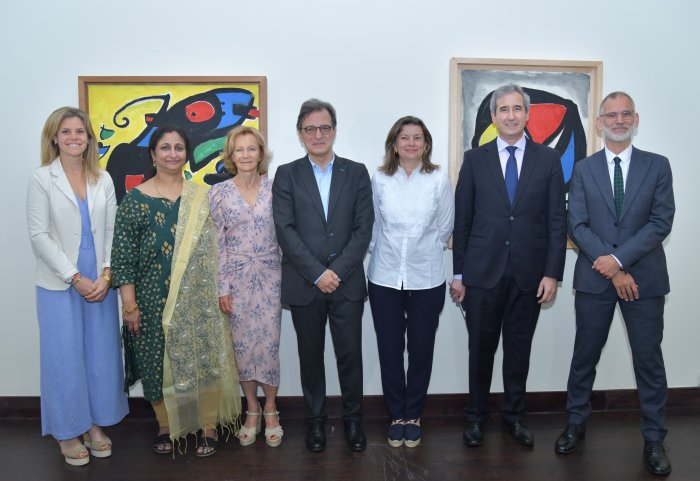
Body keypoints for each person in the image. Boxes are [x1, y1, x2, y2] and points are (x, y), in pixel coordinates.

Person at [555, 92, 675, 476]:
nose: (619, 120)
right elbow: (578, 224)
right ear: (599, 122)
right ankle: (575, 424)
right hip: (596, 279)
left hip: (644, 280)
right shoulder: (584, 169)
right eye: (611, 115)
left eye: (626, 114)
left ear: (635, 119)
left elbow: (661, 222)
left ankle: (654, 438)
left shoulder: (658, 166)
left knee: (649, 361)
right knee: (584, 357)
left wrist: (620, 261)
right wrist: (613, 267)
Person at [111, 126, 241, 458]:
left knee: (204, 361)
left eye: (179, 147)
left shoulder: (202, 197)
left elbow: (220, 248)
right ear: (153, 155)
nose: (172, 153)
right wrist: (129, 305)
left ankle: (208, 426)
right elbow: (123, 258)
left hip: (198, 298)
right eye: (165, 147)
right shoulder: (135, 200)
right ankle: (166, 425)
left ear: (186, 154)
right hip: (152, 299)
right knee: (155, 363)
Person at [450, 84, 567, 448]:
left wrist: (552, 273)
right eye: (504, 109)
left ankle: (515, 417)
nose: (511, 115)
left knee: (519, 352)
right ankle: (475, 417)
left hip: (529, 276)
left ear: (527, 114)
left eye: (518, 109)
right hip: (482, 274)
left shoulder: (547, 160)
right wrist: (458, 274)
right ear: (494, 116)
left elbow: (555, 222)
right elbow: (463, 222)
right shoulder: (475, 159)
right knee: (479, 352)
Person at [26, 106, 129, 466]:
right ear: (54, 137)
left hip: (99, 280)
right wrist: (75, 277)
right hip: (60, 280)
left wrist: (105, 275)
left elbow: (114, 231)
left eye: (80, 132)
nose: (73, 137)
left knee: (100, 356)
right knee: (64, 357)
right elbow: (39, 236)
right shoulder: (42, 178)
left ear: (89, 138)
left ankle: (96, 425)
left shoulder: (104, 179)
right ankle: (68, 431)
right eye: (66, 131)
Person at [272, 99, 373, 452]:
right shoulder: (286, 174)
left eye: (325, 127)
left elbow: (363, 229)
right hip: (305, 283)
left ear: (334, 130)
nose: (318, 134)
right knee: (310, 357)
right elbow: (285, 229)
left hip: (346, 283)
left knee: (350, 357)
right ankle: (315, 424)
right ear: (300, 134)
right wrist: (318, 274)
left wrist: (336, 272)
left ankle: (353, 423)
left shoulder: (356, 171)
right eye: (310, 129)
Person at [367, 116, 453, 448]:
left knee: (420, 349)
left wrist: (424, 250)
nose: (411, 143)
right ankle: (397, 414)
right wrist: (380, 253)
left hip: (426, 278)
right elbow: (373, 225)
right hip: (384, 277)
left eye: (418, 138)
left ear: (426, 144)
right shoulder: (380, 179)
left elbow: (445, 228)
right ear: (394, 143)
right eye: (405, 138)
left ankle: (413, 413)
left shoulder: (438, 179)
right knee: (389, 348)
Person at [209, 126, 283, 447]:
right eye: (239, 150)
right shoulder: (219, 192)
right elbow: (217, 243)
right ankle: (251, 410)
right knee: (242, 347)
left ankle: (271, 409)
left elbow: (285, 236)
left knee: (268, 344)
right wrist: (221, 287)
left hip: (271, 276)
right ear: (231, 155)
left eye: (251, 149)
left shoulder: (277, 189)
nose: (246, 155)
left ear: (261, 153)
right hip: (235, 279)